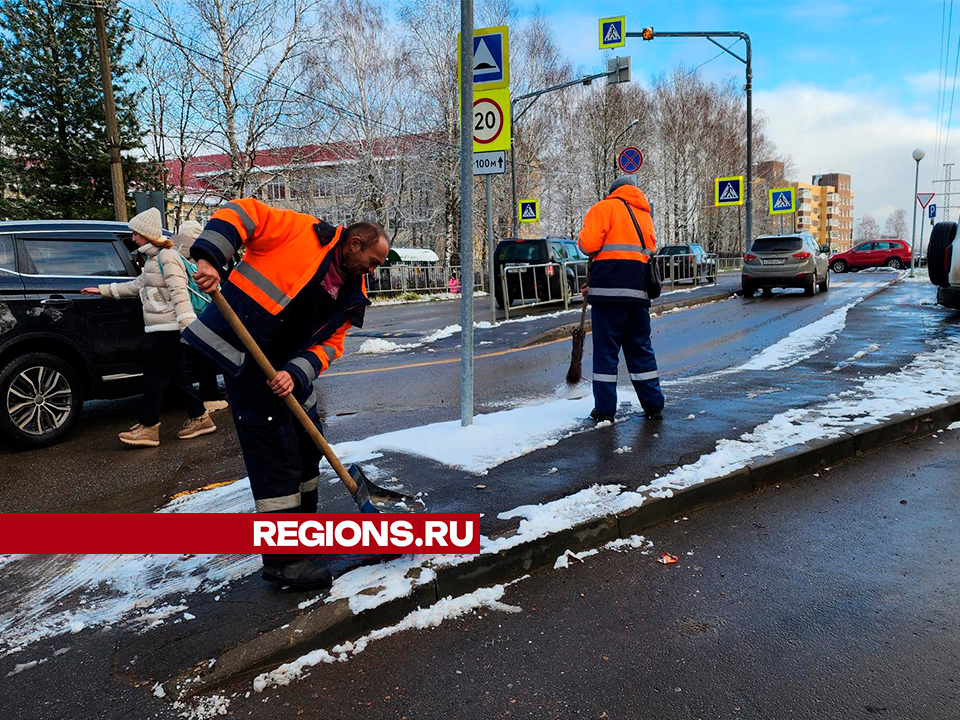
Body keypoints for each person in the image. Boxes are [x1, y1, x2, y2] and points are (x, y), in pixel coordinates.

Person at [183, 198, 389, 590]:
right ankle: (283, 561)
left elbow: (332, 345)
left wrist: (295, 374)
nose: (373, 271)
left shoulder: (351, 292)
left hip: (287, 372)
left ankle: (305, 536)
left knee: (308, 449)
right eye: (373, 261)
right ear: (355, 243)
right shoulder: (302, 232)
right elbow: (240, 213)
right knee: (276, 457)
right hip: (246, 357)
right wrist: (209, 258)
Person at [82, 208, 217, 447]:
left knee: (155, 378)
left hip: (171, 328)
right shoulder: (154, 259)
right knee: (176, 377)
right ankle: (200, 417)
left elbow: (179, 292)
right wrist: (104, 290)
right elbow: (137, 286)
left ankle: (148, 426)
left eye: (136, 234)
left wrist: (188, 327)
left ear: (147, 234)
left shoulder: (167, 258)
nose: (133, 238)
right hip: (163, 327)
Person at [577, 175, 665, 423]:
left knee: (606, 353)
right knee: (641, 350)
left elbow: (589, 244)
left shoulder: (603, 208)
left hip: (609, 295)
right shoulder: (645, 214)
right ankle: (654, 405)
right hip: (638, 293)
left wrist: (581, 239)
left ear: (612, 191)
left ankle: (605, 410)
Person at [176, 219, 228, 413]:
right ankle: (210, 396)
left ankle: (206, 395)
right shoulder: (197, 260)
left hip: (186, 313)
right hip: (202, 312)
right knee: (208, 355)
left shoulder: (177, 258)